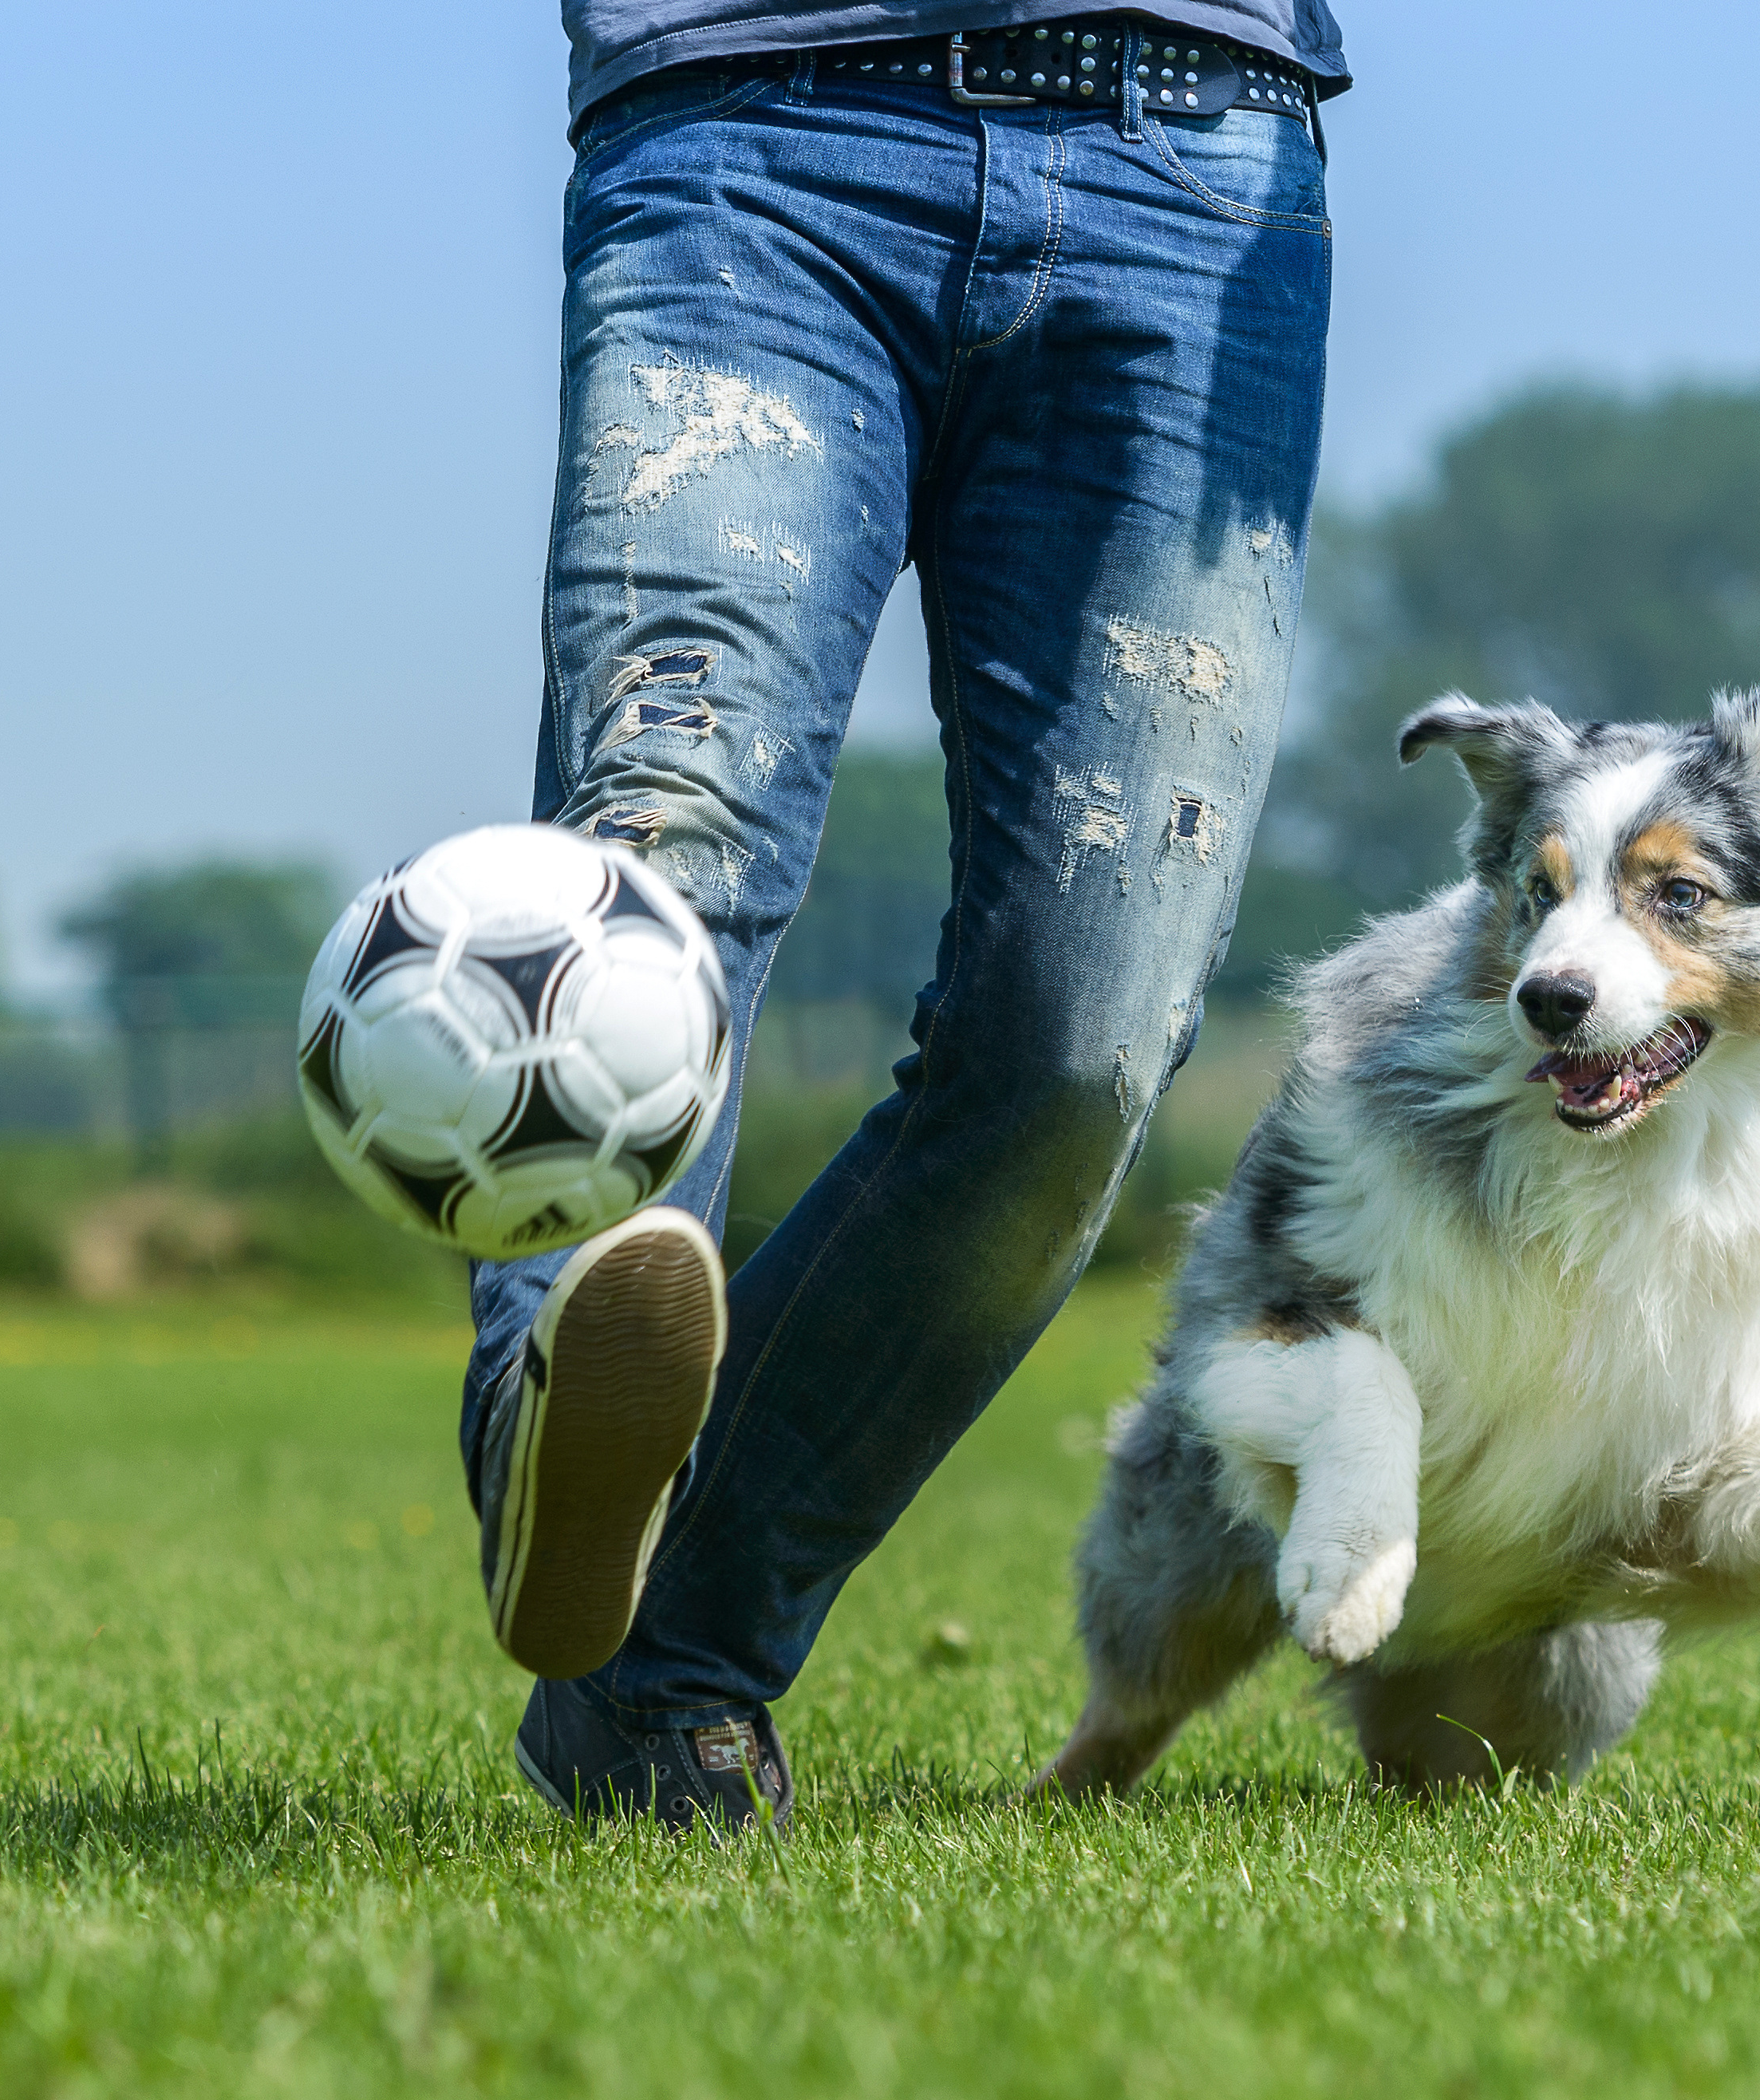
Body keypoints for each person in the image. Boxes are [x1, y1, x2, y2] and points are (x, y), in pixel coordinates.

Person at [469, 2, 1348, 1831]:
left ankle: (654, 1658)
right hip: (750, 141)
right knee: (663, 858)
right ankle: (552, 1426)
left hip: (1197, 168)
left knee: (1081, 1036)